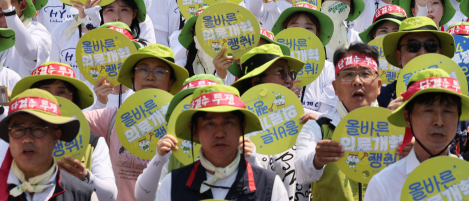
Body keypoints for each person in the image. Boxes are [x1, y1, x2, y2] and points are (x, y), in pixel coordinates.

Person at [364, 69, 469, 201]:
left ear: (459, 117)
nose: (439, 122)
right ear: (407, 117)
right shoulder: (383, 185)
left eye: (448, 111)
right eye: (428, 110)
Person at [83, 44, 188, 201]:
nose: (150, 77)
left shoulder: (184, 125)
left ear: (170, 81)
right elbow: (69, 122)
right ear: (133, 77)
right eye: (143, 70)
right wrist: (99, 103)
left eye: (160, 72)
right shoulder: (112, 117)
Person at [155, 85, 288, 200]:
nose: (219, 133)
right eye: (210, 123)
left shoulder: (269, 184)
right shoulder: (173, 184)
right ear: (194, 130)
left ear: (242, 127)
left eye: (228, 122)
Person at [10, 62, 117, 201]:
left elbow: (110, 196)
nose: (54, 98)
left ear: (73, 99)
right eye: (45, 92)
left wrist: (85, 177)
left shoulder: (93, 143)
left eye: (61, 92)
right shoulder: (16, 140)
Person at [294, 43, 382, 201]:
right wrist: (317, 159)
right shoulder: (318, 127)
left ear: (379, 86)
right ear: (335, 87)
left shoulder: (397, 128)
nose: (357, 81)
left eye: (365, 74)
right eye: (348, 75)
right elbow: (301, 174)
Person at [232, 44, 317, 200]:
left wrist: (321, 132)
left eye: (290, 73)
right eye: (280, 72)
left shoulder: (309, 120)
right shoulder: (235, 128)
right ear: (256, 82)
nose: (289, 81)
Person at [134, 74, 224, 201]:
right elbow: (143, 196)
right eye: (190, 106)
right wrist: (159, 159)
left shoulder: (237, 147)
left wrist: (250, 160)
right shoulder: (174, 150)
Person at [0, 89, 97, 201]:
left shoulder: (82, 196)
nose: (27, 139)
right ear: (9, 135)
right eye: (18, 130)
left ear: (55, 136)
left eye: (37, 129)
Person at [272, 2, 336, 112]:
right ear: (284, 31)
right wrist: (285, 99)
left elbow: (325, 118)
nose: (301, 32)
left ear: (317, 34)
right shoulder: (271, 67)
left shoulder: (329, 69)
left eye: (308, 28)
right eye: (294, 27)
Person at [379, 16, 455, 108]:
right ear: (399, 57)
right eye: (413, 46)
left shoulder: (456, 93)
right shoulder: (381, 96)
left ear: (440, 54)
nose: (422, 53)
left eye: (431, 46)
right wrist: (389, 119)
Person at [0, 0, 52, 78]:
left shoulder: (38, 30)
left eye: (7, 0)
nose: (1, 6)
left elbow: (30, 53)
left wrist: (8, 10)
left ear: (23, 5)